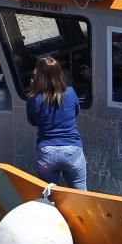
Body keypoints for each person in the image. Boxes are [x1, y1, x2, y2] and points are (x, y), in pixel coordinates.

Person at [26, 55, 87, 191]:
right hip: (72, 150)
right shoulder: (70, 92)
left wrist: (33, 87)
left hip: (47, 152)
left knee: (48, 194)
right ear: (59, 73)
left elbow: (32, 121)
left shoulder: (33, 98)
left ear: (38, 75)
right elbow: (76, 112)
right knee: (81, 196)